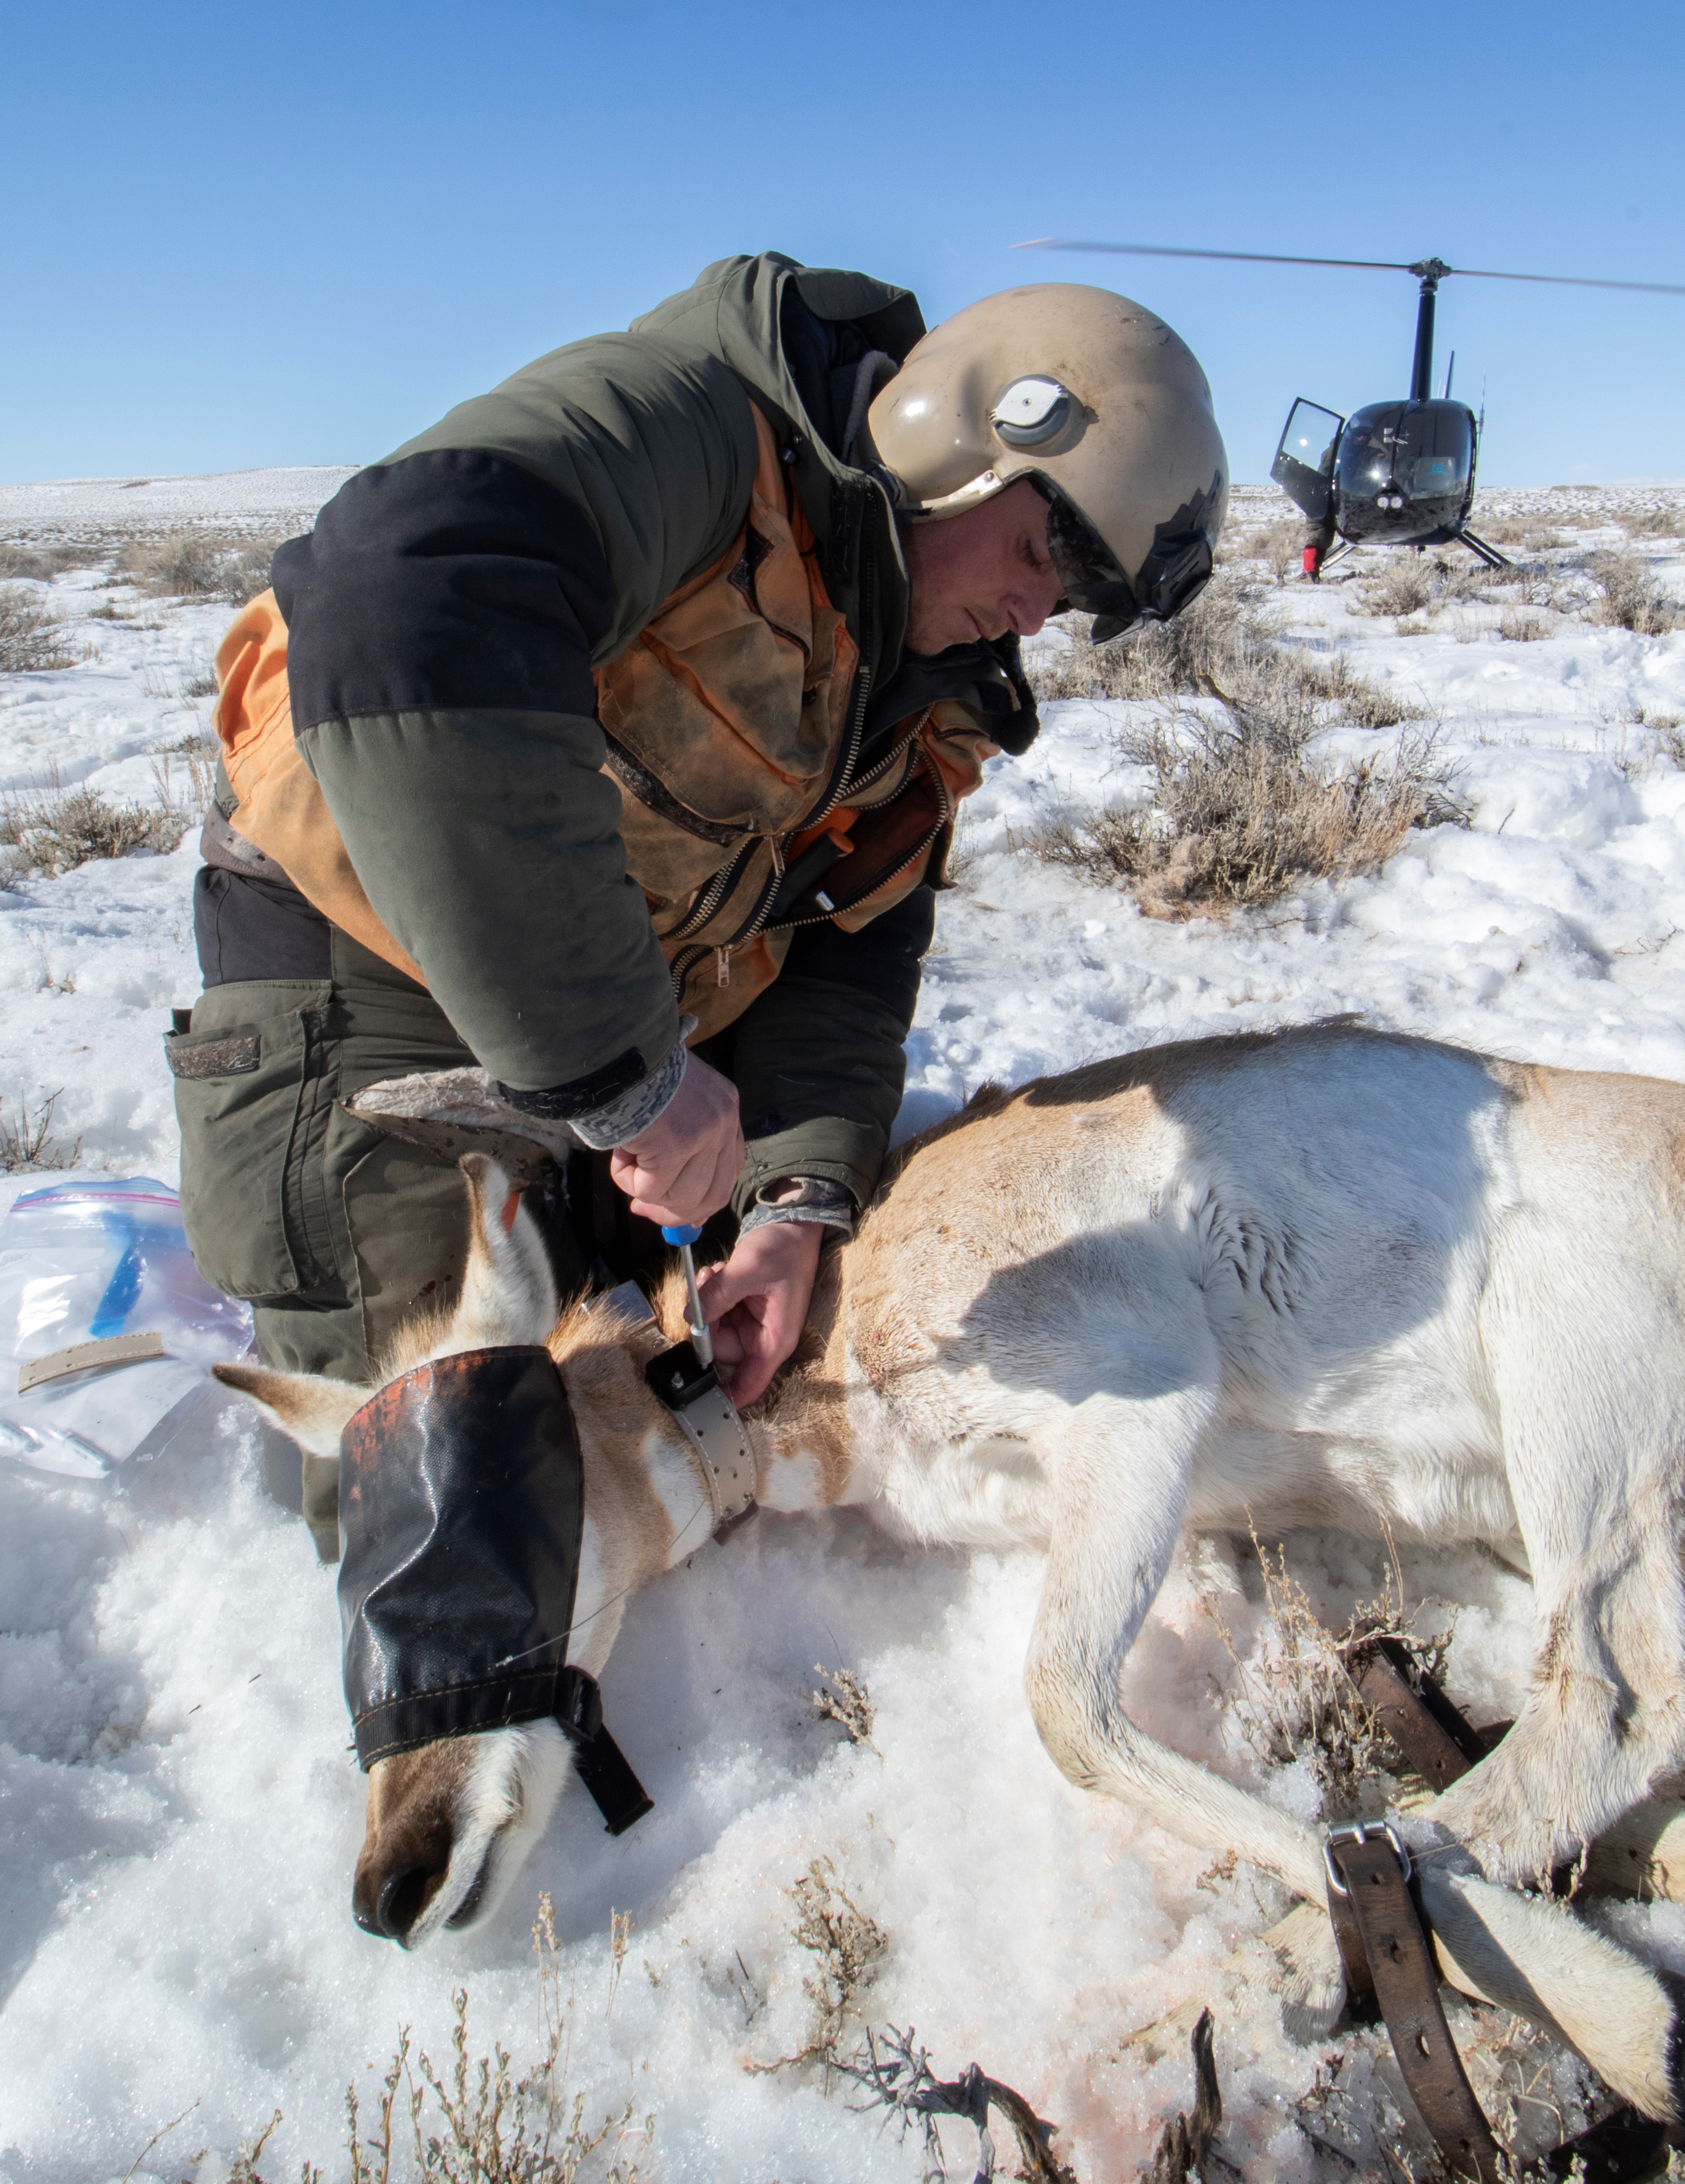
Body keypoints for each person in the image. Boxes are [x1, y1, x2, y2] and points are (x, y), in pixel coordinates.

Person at [171, 252, 1226, 1554]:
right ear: (947, 437)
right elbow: (408, 599)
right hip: (367, 965)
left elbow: (849, 941)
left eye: (1066, 596)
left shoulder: (927, 671)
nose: (1031, 609)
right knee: (468, 1503)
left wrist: (793, 1205)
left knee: (742, 1370)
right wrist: (628, 1080)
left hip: (620, 1008)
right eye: (1030, 550)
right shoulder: (685, 427)